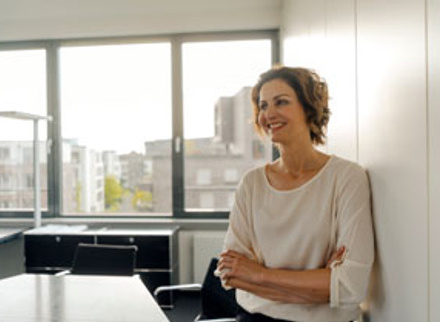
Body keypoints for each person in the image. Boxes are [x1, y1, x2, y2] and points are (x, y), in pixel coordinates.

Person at [216, 66, 375, 322]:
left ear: (309, 108)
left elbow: (349, 287)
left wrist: (258, 274)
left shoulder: (347, 177)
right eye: (263, 105)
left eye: (282, 102)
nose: (269, 114)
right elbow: (231, 274)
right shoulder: (252, 183)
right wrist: (321, 281)